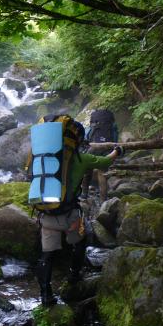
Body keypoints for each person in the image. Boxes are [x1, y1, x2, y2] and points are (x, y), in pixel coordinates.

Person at [36, 121, 123, 306]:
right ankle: (74, 276)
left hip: (47, 214)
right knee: (81, 241)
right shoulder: (82, 159)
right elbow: (106, 162)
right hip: (70, 216)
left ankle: (45, 295)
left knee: (47, 256)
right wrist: (118, 150)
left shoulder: (44, 158)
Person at [82, 108, 119, 201]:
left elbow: (87, 136)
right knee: (102, 173)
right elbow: (115, 140)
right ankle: (103, 200)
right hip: (107, 148)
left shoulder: (94, 123)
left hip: (93, 147)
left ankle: (84, 194)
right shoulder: (112, 125)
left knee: (87, 170)